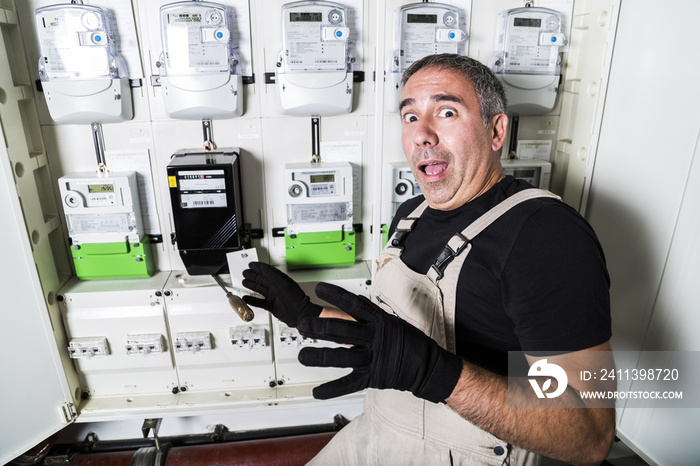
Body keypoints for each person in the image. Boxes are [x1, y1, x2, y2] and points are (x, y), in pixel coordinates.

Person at [242, 53, 615, 465]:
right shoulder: (411, 215)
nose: (422, 134)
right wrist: (309, 314)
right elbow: (395, 345)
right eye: (409, 117)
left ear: (497, 131)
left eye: (447, 112)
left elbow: (590, 435)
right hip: (380, 432)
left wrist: (437, 374)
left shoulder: (546, 235)